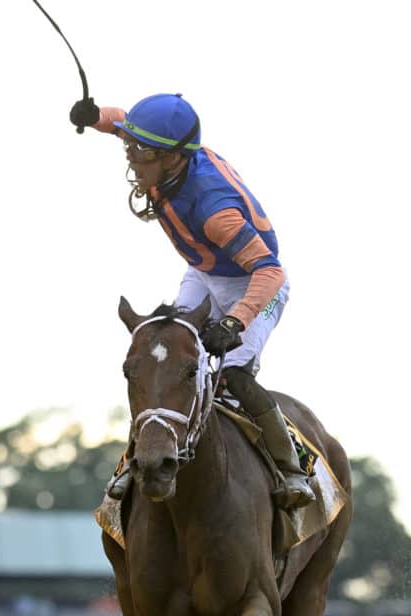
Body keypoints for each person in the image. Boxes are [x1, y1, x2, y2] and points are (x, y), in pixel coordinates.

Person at [72, 93, 315, 510]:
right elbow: (128, 123)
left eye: (140, 152)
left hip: (255, 284)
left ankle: (291, 467)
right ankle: (136, 458)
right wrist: (97, 119)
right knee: (167, 354)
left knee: (232, 375)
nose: (131, 158)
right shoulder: (170, 154)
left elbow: (269, 272)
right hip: (205, 272)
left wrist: (235, 321)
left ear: (172, 160)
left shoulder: (215, 211)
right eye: (132, 147)